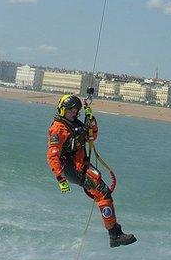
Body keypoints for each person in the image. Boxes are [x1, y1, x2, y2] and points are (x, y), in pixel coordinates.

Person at [47, 93, 136, 248]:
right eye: (70, 110)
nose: (73, 113)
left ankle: (114, 233)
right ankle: (114, 234)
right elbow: (52, 155)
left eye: (75, 111)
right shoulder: (58, 129)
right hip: (73, 168)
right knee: (103, 193)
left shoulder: (76, 124)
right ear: (62, 110)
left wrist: (92, 122)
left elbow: (91, 137)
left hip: (82, 165)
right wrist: (60, 178)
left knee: (103, 193)